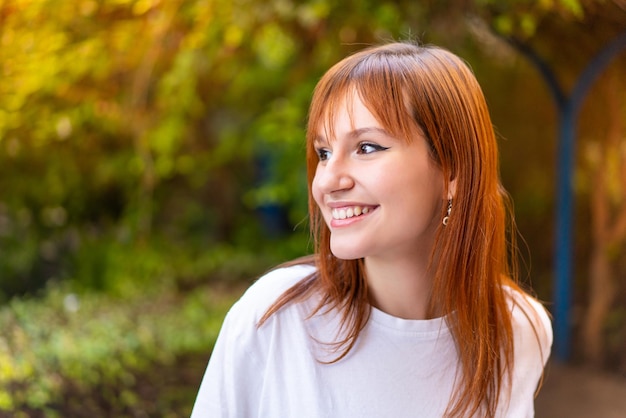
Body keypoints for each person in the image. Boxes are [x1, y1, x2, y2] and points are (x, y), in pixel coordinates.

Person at [190, 41, 552, 418]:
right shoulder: (273, 320)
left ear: (452, 171)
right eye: (324, 153)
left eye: (366, 147)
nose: (327, 181)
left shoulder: (519, 329)